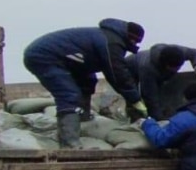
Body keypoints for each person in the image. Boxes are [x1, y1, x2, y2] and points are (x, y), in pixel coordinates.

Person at [22, 18, 145, 148]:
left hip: (70, 61)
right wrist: (135, 99)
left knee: (88, 82)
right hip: (44, 56)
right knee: (69, 94)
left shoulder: (109, 38)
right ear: (130, 37)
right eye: (134, 41)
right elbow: (117, 73)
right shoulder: (112, 42)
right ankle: (70, 144)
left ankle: (83, 121)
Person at [124, 43, 196, 120]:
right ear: (164, 64)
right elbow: (150, 98)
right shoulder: (148, 69)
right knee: (134, 100)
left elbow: (194, 53)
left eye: (178, 67)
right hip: (127, 71)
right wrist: (159, 120)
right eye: (173, 68)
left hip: (155, 72)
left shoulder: (179, 52)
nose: (176, 70)